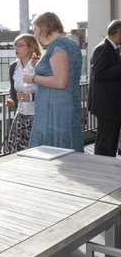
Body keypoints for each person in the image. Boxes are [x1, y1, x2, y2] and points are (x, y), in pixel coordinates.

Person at [23, 12, 83, 152]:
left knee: (54, 151)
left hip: (54, 111)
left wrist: (32, 78)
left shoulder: (58, 46)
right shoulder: (70, 43)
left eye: (36, 30)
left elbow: (60, 82)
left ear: (45, 27)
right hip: (64, 105)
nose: (36, 35)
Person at [87, 20, 121, 157]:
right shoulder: (103, 48)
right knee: (105, 143)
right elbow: (99, 74)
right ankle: (101, 168)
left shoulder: (111, 48)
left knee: (111, 140)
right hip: (107, 106)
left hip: (112, 105)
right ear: (119, 32)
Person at [5, 34, 42, 153]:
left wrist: (31, 96)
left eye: (20, 45)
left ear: (31, 48)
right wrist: (11, 99)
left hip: (37, 114)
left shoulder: (39, 65)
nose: (16, 48)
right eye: (15, 45)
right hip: (21, 112)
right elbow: (13, 89)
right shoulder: (13, 67)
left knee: (34, 149)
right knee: (14, 146)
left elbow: (48, 89)